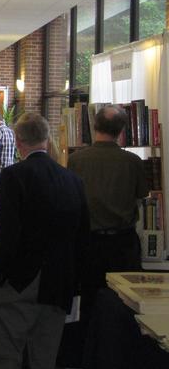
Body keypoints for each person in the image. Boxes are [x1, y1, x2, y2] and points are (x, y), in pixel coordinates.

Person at [0, 113, 90, 369]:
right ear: (46, 139)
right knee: (45, 359)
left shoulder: (14, 176)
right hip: (58, 282)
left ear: (19, 141)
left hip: (19, 281)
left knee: (7, 357)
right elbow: (82, 236)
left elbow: (6, 234)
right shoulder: (73, 180)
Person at [67, 105, 148, 306]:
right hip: (123, 245)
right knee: (122, 304)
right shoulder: (133, 161)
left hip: (88, 244)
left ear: (95, 126)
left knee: (88, 303)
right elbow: (141, 197)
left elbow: (72, 200)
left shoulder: (76, 159)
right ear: (122, 130)